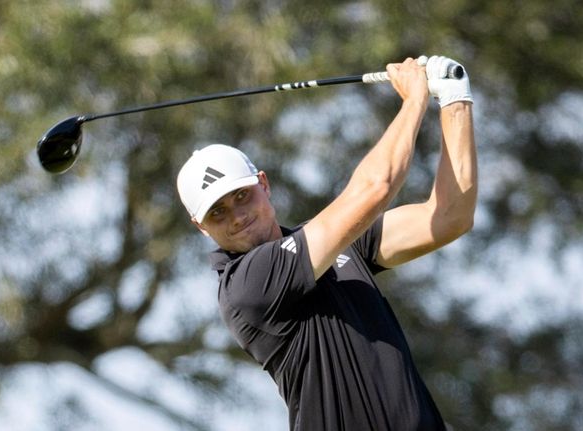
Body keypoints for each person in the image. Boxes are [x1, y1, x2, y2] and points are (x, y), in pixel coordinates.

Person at [176, 55, 477, 431]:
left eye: (241, 196)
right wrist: (414, 99)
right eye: (217, 213)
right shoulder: (245, 285)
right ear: (201, 228)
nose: (237, 216)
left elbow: (450, 217)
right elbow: (374, 189)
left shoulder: (337, 245)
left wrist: (454, 98)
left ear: (264, 185)